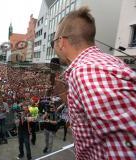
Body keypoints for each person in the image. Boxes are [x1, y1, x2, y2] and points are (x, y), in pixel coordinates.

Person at [52, 6, 136, 160]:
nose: (55, 48)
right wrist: (66, 96)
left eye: (54, 42)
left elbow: (125, 150)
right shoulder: (110, 60)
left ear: (62, 42)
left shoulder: (86, 72)